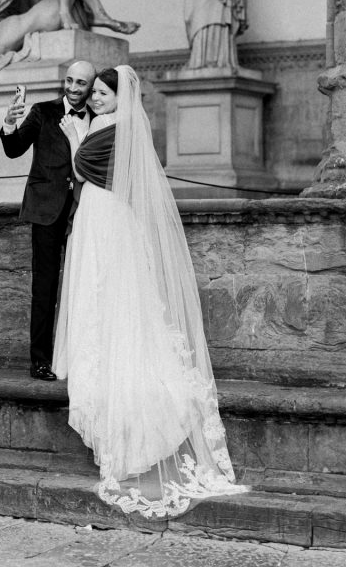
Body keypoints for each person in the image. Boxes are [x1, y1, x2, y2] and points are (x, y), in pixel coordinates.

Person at [54, 66, 245, 517]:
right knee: (94, 289)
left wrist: (74, 138)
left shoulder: (120, 129)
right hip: (97, 216)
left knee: (112, 291)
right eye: (94, 93)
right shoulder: (105, 126)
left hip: (109, 218)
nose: (97, 98)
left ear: (121, 97)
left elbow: (83, 166)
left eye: (103, 92)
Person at [0, 60, 96, 381]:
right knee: (45, 287)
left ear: (91, 86)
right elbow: (14, 150)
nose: (72, 87)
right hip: (45, 211)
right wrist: (9, 124)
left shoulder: (98, 118)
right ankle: (40, 360)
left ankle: (81, 356)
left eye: (80, 83)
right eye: (69, 80)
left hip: (86, 211)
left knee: (84, 285)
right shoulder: (42, 112)